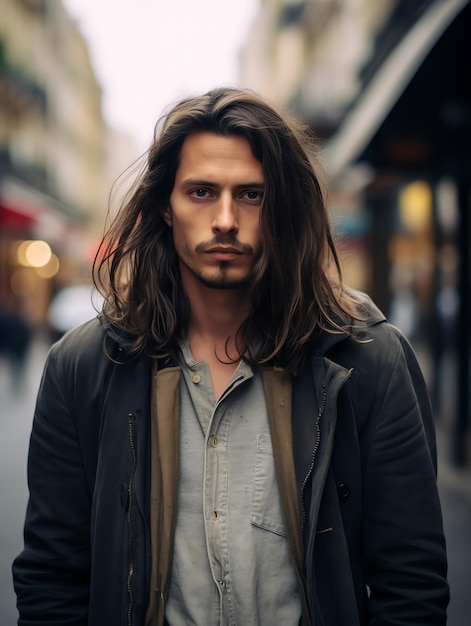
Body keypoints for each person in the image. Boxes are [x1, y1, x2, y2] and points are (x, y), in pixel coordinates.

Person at [12, 87, 449, 625]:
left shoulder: (368, 359)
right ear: (165, 209)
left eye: (251, 194)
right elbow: (52, 581)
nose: (224, 219)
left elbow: (412, 585)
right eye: (200, 192)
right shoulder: (82, 367)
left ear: (283, 208)